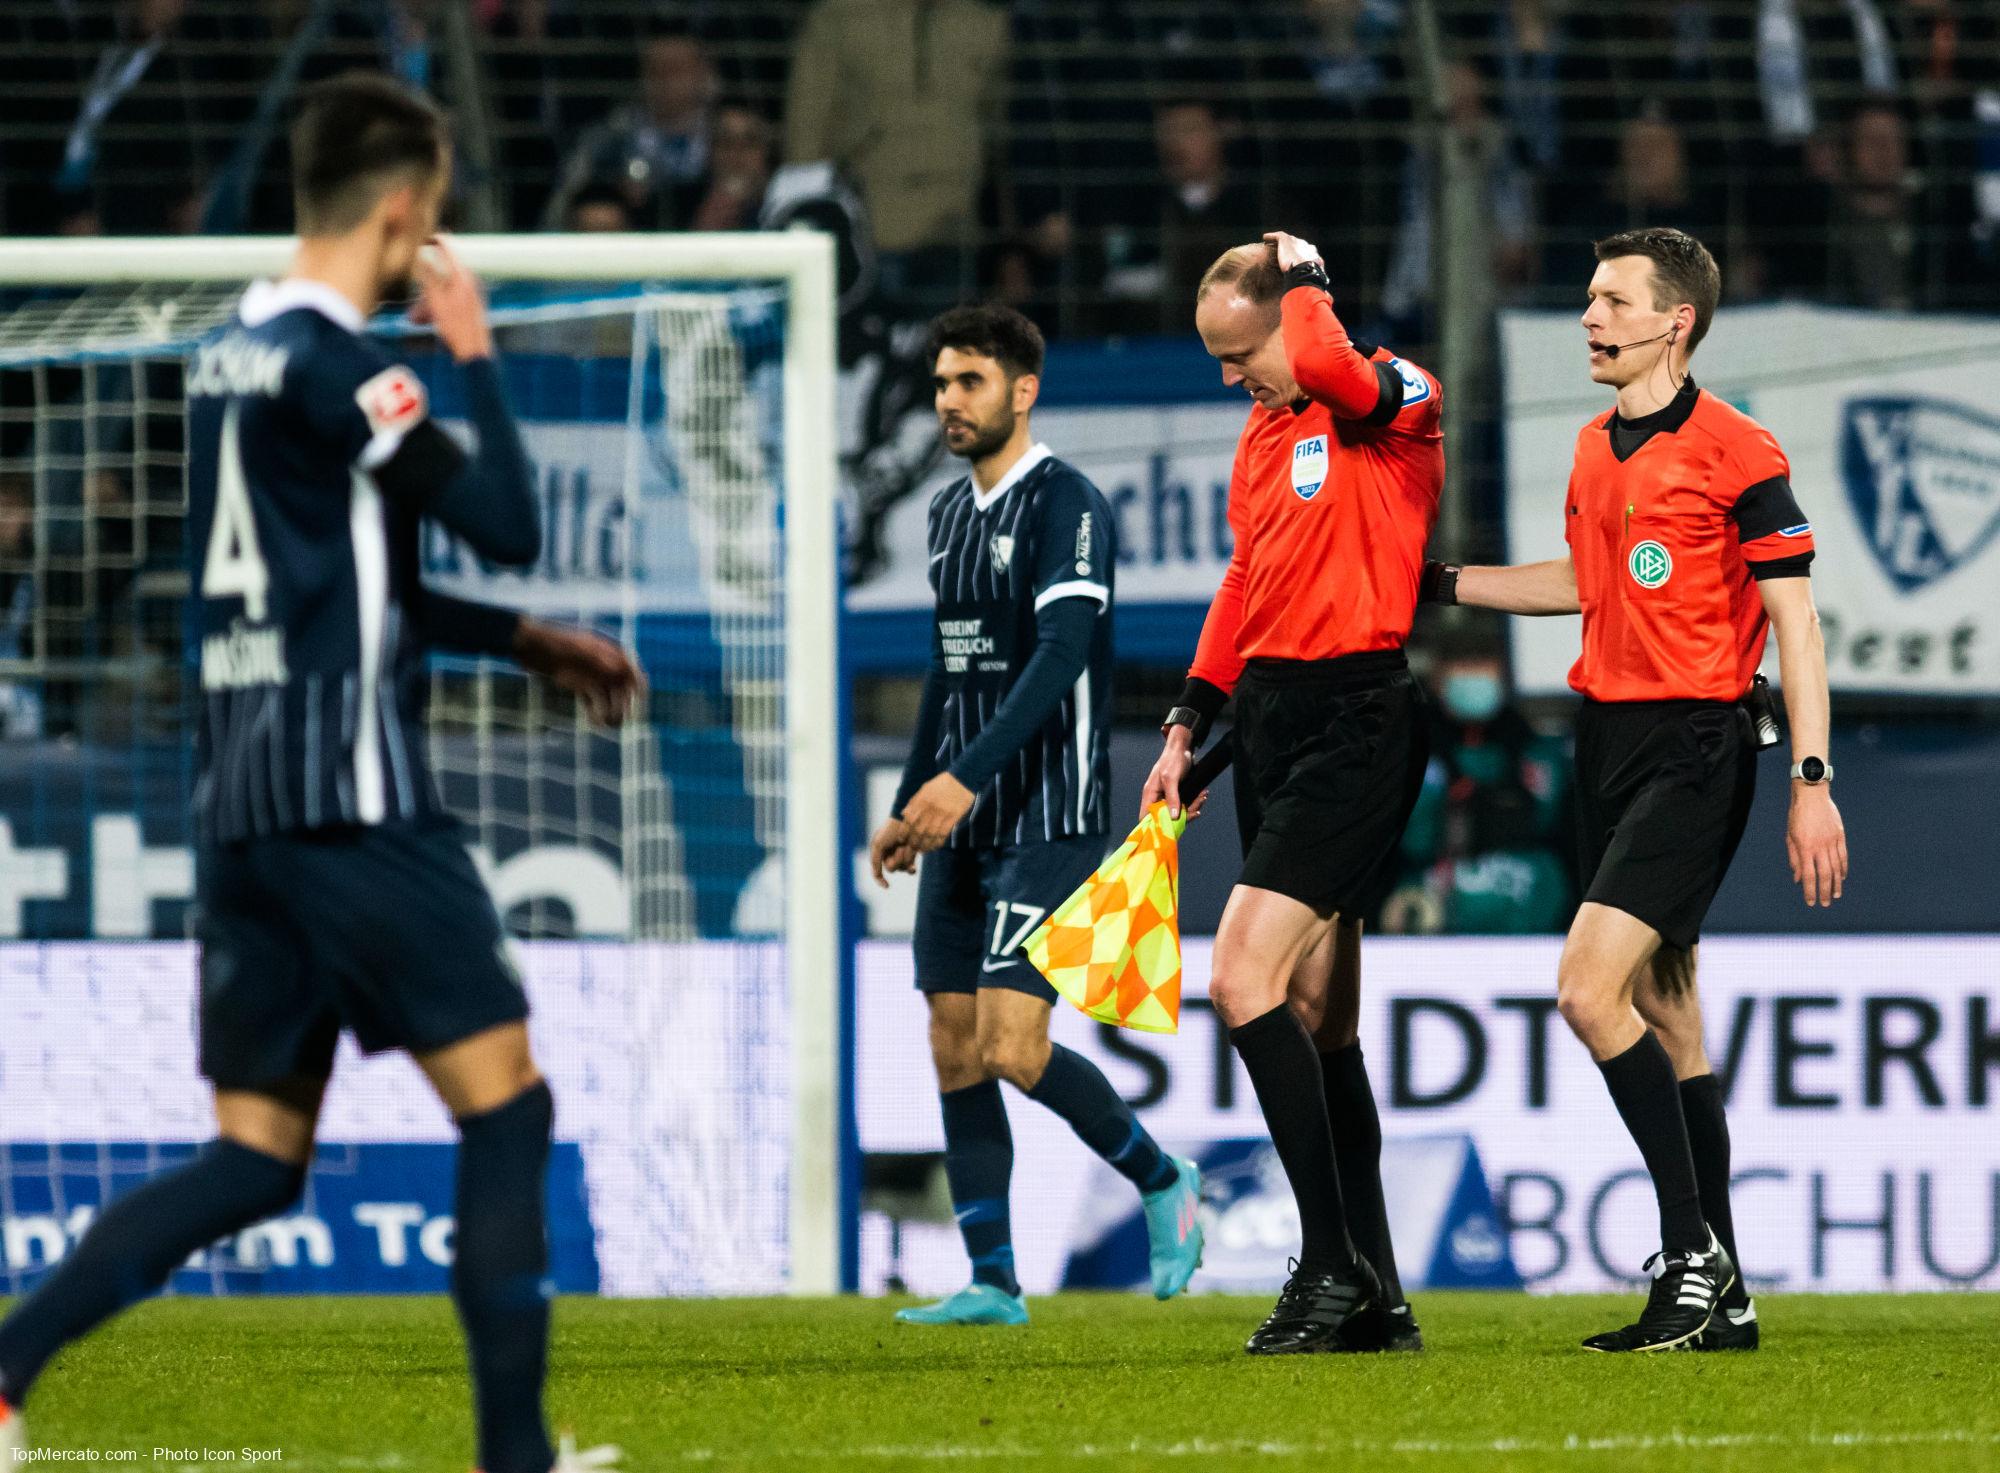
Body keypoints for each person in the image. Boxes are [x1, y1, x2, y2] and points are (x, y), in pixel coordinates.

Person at [0, 74, 638, 1471]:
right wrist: (470, 353)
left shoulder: (229, 350)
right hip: (350, 799)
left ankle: (2, 1375)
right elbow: (511, 520)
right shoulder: (350, 366)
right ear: (404, 210)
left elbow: (345, 585)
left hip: (238, 805)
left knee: (256, 1159)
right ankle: (516, 1456)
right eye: (438, 217)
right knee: (510, 1105)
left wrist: (516, 642)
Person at [1421, 225, 1848, 1352]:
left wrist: (1810, 777)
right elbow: (1582, 582)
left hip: (1695, 749)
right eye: (1587, 300)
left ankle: (1688, 1257)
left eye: (1612, 301)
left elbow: (1794, 622)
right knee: (1666, 1010)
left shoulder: (1737, 450)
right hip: (1601, 743)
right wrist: (1439, 584)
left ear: (1677, 320)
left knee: (1583, 990)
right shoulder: (1589, 448)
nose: (1589, 319)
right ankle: (1732, 1295)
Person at [867, 304, 1203, 1326]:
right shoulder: (943, 514)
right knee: (949, 1039)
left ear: (1022, 390)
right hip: (960, 812)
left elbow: (1059, 661)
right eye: (939, 384)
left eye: (969, 382)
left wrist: (961, 779)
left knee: (1012, 1045)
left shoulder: (1068, 503)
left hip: (1046, 813)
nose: (948, 403)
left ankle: (1158, 1176)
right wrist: (908, 798)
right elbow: (948, 667)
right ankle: (992, 1282)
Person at [1143, 232, 1443, 1355]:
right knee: (1321, 1022)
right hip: (1270, 718)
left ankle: (1326, 1263)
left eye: (1240, 354)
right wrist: (1188, 721)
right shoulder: (1263, 438)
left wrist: (1307, 271)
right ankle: (1377, 1294)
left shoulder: (1394, 400)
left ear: (1291, 319)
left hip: (1358, 719)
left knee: (1238, 975)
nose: (1233, 379)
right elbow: (1244, 578)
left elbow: (1330, 367)